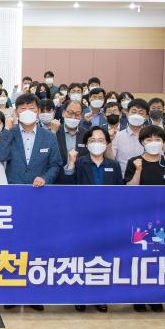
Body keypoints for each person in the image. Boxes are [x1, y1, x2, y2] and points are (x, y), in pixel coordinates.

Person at [0, 93, 61, 312]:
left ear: (38, 111)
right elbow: (1, 156)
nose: (27, 112)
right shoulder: (10, 133)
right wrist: (7, 129)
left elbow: (55, 164)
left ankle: (34, 293)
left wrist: (45, 178)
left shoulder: (48, 137)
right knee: (12, 246)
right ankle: (11, 292)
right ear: (16, 111)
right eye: (22, 108)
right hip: (13, 197)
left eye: (31, 108)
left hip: (38, 198)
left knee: (35, 245)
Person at [60, 126, 122, 313]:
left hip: (105, 218)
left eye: (101, 140)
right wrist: (70, 164)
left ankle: (100, 296)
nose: (97, 144)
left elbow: (120, 192)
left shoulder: (114, 165)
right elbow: (66, 186)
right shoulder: (80, 162)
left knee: (101, 258)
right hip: (82, 218)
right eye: (92, 140)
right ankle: (80, 296)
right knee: (82, 256)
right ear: (86, 144)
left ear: (107, 143)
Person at [123, 124, 165, 313]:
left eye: (158, 139)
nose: (154, 143)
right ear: (142, 142)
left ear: (163, 142)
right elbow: (130, 188)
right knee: (139, 256)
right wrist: (138, 170)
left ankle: (156, 295)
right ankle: (138, 296)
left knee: (159, 256)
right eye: (149, 139)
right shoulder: (134, 161)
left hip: (162, 217)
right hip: (139, 216)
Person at [112, 98, 150, 169]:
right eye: (133, 112)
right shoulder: (118, 136)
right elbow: (110, 158)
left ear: (146, 117)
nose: (136, 115)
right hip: (123, 174)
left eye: (141, 113)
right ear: (127, 113)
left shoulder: (151, 137)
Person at [55, 99, 88, 168]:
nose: (73, 117)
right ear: (63, 113)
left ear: (81, 116)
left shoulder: (86, 134)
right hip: (58, 172)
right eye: (70, 113)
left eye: (77, 114)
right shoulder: (55, 131)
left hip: (80, 172)